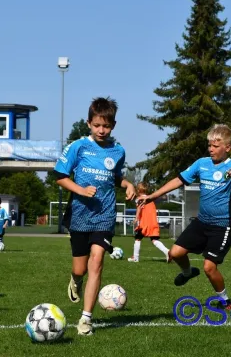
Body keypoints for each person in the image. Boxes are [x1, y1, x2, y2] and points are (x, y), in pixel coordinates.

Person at [138, 124, 231, 310]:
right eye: (209, 145)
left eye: (215, 146)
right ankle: (188, 272)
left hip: (223, 226)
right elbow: (178, 180)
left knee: (209, 267)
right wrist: (153, 195)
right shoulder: (201, 163)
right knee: (175, 253)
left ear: (227, 148)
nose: (211, 149)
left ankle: (225, 302)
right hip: (202, 222)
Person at [54, 96, 136, 336]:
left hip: (105, 214)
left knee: (97, 260)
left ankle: (86, 319)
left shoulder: (118, 150)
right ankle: (75, 280)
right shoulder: (78, 146)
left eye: (106, 126)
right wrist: (80, 190)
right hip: (80, 215)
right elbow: (60, 175)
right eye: (97, 125)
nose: (102, 130)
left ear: (113, 125)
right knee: (80, 268)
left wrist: (127, 184)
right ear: (88, 123)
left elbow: (115, 177)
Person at [127, 182, 170, 262]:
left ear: (138, 191)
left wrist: (136, 218)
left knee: (138, 239)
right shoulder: (151, 199)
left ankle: (135, 258)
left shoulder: (139, 199)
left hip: (144, 223)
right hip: (153, 222)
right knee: (154, 240)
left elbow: (139, 208)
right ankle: (167, 252)